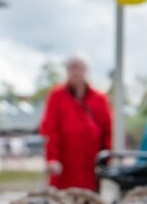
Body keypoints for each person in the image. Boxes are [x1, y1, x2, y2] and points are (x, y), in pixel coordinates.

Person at [39, 55, 112, 191]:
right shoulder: (56, 96)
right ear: (67, 71)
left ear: (86, 71)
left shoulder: (99, 99)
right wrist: (52, 158)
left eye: (80, 68)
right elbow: (49, 129)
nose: (76, 72)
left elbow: (108, 131)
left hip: (90, 168)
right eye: (73, 68)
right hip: (64, 169)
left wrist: (108, 160)